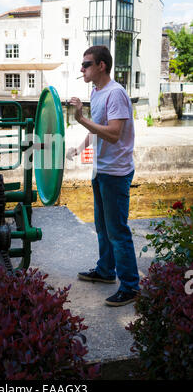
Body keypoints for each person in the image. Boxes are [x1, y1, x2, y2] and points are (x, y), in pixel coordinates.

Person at [67, 45, 140, 307]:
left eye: (86, 64)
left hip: (116, 173)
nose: (82, 69)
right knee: (102, 227)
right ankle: (106, 271)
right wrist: (80, 147)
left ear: (101, 66)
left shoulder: (116, 93)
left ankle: (130, 286)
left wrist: (80, 118)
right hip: (101, 170)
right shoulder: (97, 92)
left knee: (117, 230)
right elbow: (97, 131)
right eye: (82, 64)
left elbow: (113, 133)